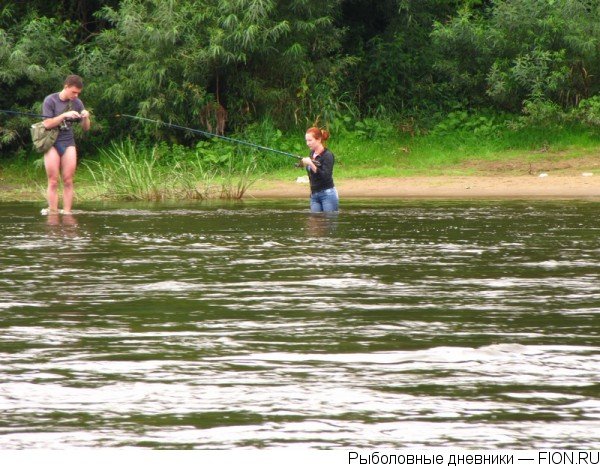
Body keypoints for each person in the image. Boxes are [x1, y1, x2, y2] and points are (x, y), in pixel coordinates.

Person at [41, 74, 91, 215]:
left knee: (68, 180)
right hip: (51, 142)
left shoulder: (77, 102)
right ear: (66, 87)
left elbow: (86, 128)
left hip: (68, 142)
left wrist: (86, 117)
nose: (75, 95)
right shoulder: (50, 100)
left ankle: (67, 213)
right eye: (73, 92)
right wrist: (64, 115)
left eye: (78, 93)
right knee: (53, 180)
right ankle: (53, 212)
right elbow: (47, 123)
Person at [300, 127, 339, 213]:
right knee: (315, 223)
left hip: (327, 194)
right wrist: (303, 164)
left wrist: (310, 163)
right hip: (314, 195)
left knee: (328, 223)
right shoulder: (311, 154)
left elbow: (326, 176)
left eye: (310, 140)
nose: (307, 143)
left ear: (319, 140)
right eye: (306, 141)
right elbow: (312, 175)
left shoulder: (328, 155)